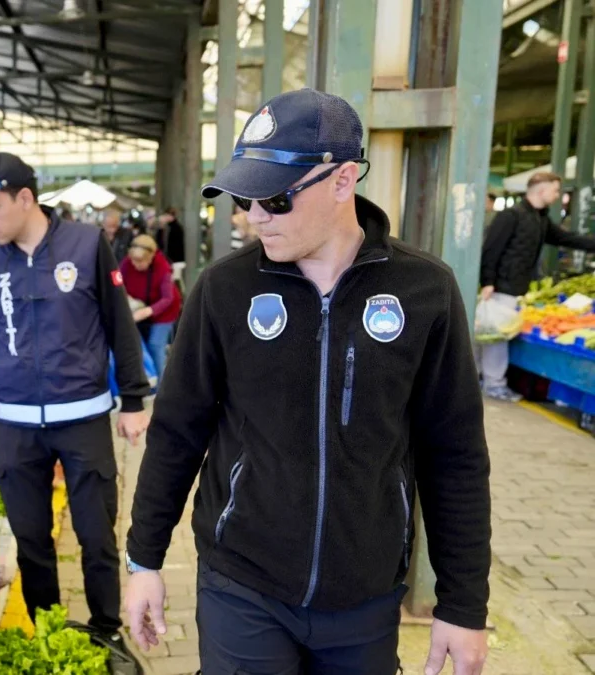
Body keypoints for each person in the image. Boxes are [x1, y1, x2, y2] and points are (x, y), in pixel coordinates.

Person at [125, 89, 491, 675]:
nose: (254, 217)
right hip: (242, 584)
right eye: (244, 199)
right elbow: (176, 432)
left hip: (366, 597)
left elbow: (456, 457)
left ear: (344, 179)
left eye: (274, 198)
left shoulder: (426, 293)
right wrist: (143, 562)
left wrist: (464, 604)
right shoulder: (225, 291)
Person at [0, 151, 150, 644]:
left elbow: (118, 324)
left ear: (25, 198)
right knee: (31, 540)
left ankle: (107, 629)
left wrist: (132, 400)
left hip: (83, 419)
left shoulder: (86, 245)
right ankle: (48, 632)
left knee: (97, 537)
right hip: (16, 425)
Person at [478, 171, 595, 401]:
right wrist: (488, 281)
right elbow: (490, 249)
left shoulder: (540, 219)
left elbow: (566, 239)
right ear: (542, 190)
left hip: (518, 287)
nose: (557, 194)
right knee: (495, 337)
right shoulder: (511, 216)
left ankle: (484, 379)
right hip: (502, 286)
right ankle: (493, 384)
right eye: (555, 189)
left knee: (493, 335)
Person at [119, 235, 181, 379]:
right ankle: (147, 379)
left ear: (151, 257)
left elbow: (168, 298)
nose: (135, 264)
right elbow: (119, 285)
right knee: (138, 346)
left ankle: (161, 387)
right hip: (138, 308)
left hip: (164, 312)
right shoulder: (127, 263)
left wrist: (147, 311)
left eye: (140, 261)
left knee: (155, 346)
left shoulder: (163, 268)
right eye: (133, 260)